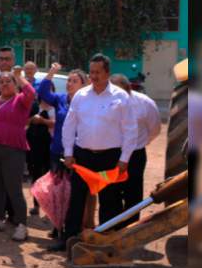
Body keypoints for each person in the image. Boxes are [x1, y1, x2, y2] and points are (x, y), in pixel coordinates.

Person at [55, 54, 138, 251]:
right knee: (77, 198)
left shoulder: (121, 96)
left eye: (97, 72)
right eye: (91, 72)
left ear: (107, 73)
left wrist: (124, 159)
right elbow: (69, 125)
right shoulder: (81, 96)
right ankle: (69, 239)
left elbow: (130, 130)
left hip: (110, 157)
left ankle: (105, 240)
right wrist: (68, 152)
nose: (93, 76)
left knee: (110, 200)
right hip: (83, 156)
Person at [0, 68, 35, 241]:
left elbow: (31, 92)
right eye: (1, 82)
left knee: (14, 188)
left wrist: (20, 77)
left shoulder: (20, 100)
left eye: (8, 81)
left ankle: (21, 225)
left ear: (15, 85)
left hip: (13, 149)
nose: (5, 84)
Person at [36, 63, 89, 240]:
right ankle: (57, 226)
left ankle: (72, 228)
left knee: (72, 193)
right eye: (69, 80)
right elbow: (42, 93)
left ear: (83, 84)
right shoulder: (60, 99)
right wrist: (51, 72)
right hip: (57, 151)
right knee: (56, 192)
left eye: (74, 81)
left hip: (76, 154)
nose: (70, 83)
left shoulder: (86, 103)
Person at [110, 73, 161, 227]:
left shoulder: (145, 103)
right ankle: (112, 228)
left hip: (135, 155)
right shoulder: (106, 101)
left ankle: (131, 228)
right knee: (111, 192)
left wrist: (142, 143)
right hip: (111, 154)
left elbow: (155, 129)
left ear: (129, 89)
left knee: (133, 193)